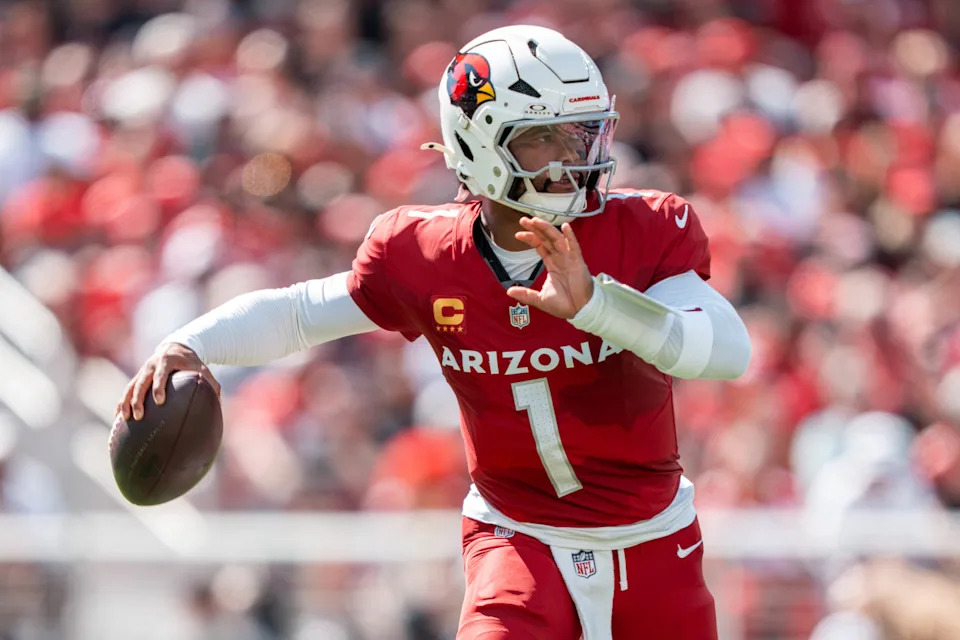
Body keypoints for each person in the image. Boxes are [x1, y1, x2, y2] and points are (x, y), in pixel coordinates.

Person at [118, 25, 751, 640]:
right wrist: (192, 342)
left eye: (584, 135)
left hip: (651, 536)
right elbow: (301, 313)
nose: (575, 159)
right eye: (546, 139)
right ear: (480, 142)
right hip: (517, 535)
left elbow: (725, 351)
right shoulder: (422, 254)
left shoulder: (645, 230)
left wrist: (597, 306)